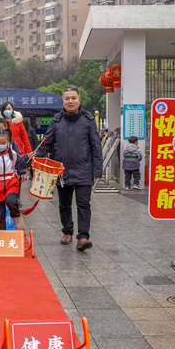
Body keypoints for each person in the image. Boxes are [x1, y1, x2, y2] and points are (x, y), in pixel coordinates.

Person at [34, 86, 103, 251]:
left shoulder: (88, 120)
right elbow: (46, 144)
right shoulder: (56, 120)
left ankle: (83, 237)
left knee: (83, 204)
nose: (70, 101)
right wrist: (36, 158)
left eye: (73, 98)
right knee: (64, 204)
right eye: (67, 98)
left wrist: (97, 171)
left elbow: (96, 146)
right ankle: (67, 231)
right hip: (61, 171)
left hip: (84, 170)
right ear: (63, 101)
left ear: (79, 100)